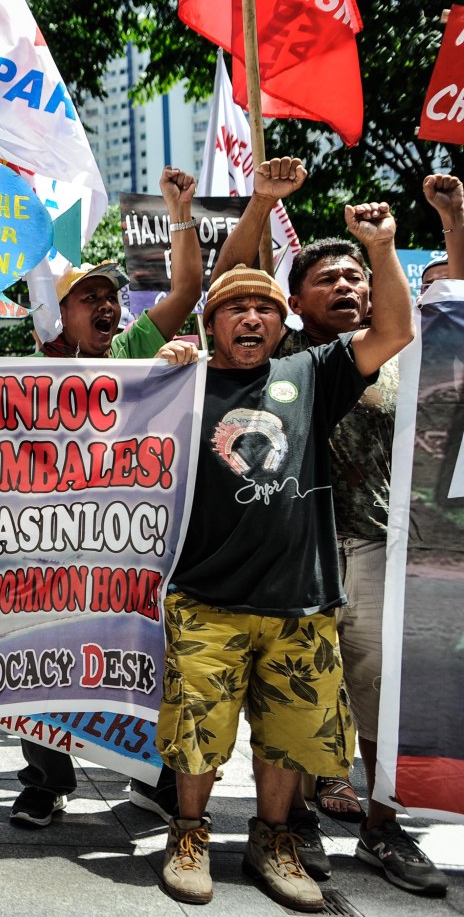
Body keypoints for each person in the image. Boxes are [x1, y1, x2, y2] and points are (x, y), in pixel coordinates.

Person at [156, 165, 415, 912]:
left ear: (282, 323)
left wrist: (382, 247)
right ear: (211, 324)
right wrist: (163, 366)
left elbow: (394, 331)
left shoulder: (316, 370)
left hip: (302, 602)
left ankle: (273, 841)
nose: (250, 318)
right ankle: (189, 835)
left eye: (263, 309)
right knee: (198, 732)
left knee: (292, 736)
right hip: (205, 598)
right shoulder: (183, 382)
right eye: (234, 308)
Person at [215, 168, 457, 898]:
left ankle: (383, 826)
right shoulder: (278, 358)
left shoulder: (394, 357)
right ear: (293, 303)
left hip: (379, 550)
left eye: (357, 278)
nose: (347, 288)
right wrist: (262, 203)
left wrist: (392, 242)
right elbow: (229, 284)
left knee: (380, 695)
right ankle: (292, 824)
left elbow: (448, 308)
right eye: (328, 279)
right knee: (298, 698)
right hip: (299, 553)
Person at [15, 166, 204, 829]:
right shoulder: (25, 374)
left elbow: (188, 288)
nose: (106, 305)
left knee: (144, 656)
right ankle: (46, 778)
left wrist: (179, 213)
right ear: (58, 311)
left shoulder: (134, 349)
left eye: (112, 295)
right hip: (48, 554)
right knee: (39, 660)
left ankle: (154, 778)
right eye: (88, 296)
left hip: (130, 551)